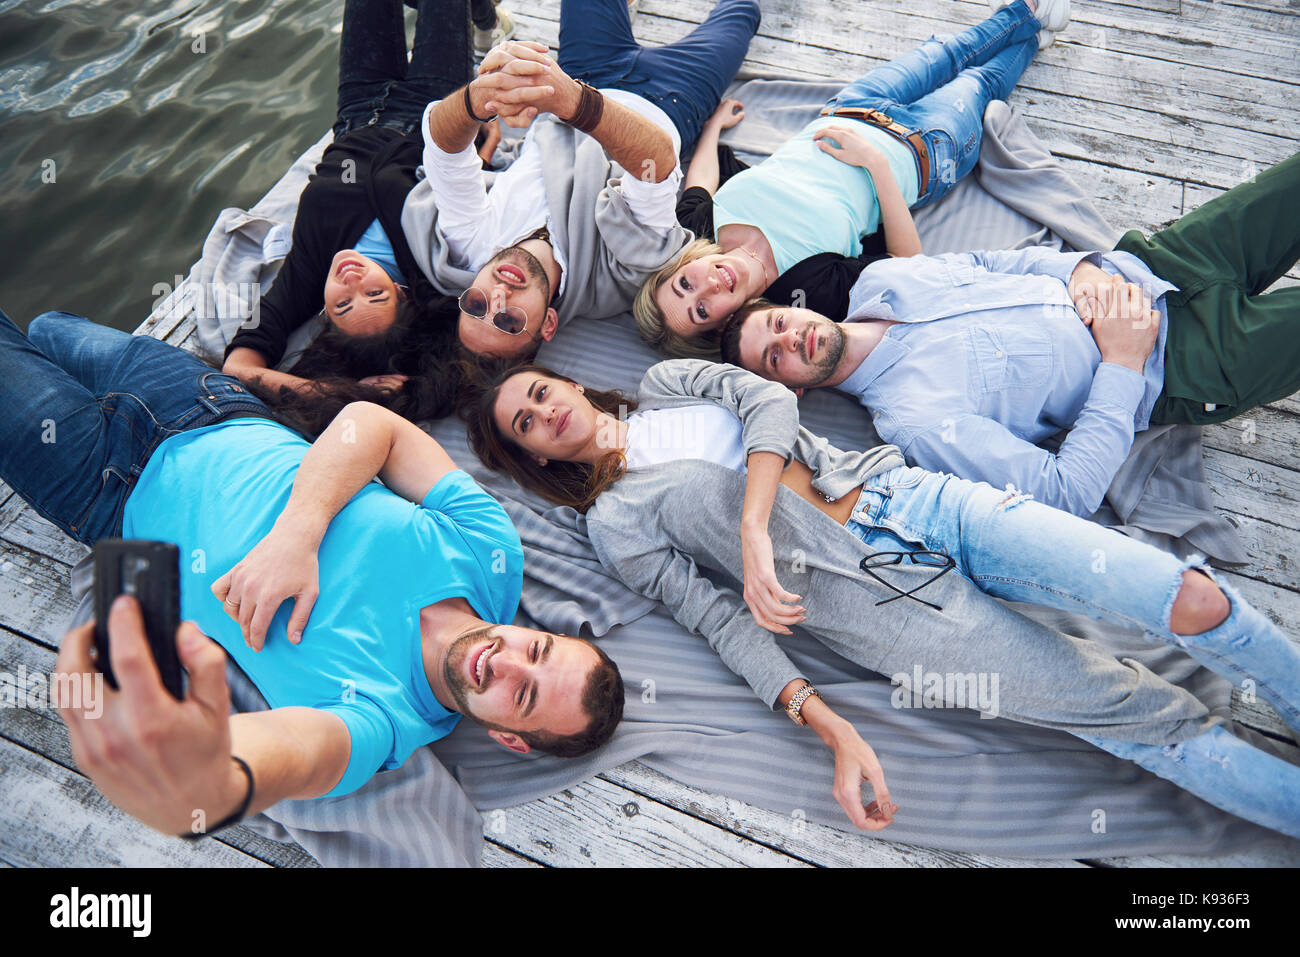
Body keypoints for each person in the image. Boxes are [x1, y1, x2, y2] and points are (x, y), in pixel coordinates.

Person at [466, 357, 1300, 839]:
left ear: (565, 379)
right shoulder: (616, 523)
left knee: (1190, 596)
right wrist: (822, 720)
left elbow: (769, 399)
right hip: (891, 616)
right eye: (526, 427)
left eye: (538, 392)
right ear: (531, 459)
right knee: (1137, 716)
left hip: (917, 501)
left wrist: (752, 523)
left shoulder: (667, 379)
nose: (545, 414)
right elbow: (718, 620)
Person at [0, 308, 623, 839]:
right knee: (50, 326)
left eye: (523, 695)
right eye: (538, 649)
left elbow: (297, 753)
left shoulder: (381, 722)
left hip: (101, 488)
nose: (508, 661)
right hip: (207, 402)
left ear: (511, 739)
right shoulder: (491, 555)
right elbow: (373, 426)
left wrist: (216, 773)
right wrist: (296, 535)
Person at [718, 151, 1300, 518]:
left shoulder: (883, 279)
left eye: (777, 324)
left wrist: (1080, 270)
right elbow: (1064, 493)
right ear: (790, 390)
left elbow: (997, 265)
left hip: (1160, 262)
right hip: (1177, 360)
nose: (790, 340)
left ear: (787, 310)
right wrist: (1123, 362)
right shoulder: (914, 421)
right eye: (774, 359)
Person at [633, 0, 1071, 357]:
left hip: (853, 106)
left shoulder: (698, 229)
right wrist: (877, 165)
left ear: (682, 266)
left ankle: (1029, 22)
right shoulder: (805, 292)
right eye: (702, 309)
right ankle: (1029, 18)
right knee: (978, 80)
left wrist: (713, 126)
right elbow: (907, 268)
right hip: (923, 152)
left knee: (946, 52)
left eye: (686, 284)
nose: (707, 284)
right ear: (726, 322)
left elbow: (701, 181)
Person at [400, 0, 762, 360]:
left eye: (476, 305)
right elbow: (656, 163)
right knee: (743, 12)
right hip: (668, 99)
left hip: (582, 72)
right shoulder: (613, 280)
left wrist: (482, 97)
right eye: (509, 320)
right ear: (549, 325)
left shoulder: (469, 247)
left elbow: (442, 149)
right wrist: (570, 100)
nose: (498, 296)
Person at [223, 0, 489, 406]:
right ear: (402, 293)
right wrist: (481, 150)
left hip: (356, 107)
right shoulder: (428, 264)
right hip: (431, 109)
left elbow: (238, 370)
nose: (351, 282)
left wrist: (333, 393)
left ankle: (483, 14)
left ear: (326, 314)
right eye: (375, 295)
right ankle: (484, 17)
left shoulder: (308, 274)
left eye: (343, 305)